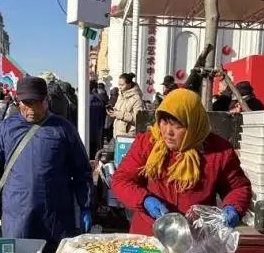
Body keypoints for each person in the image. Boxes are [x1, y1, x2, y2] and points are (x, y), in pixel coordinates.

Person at [112, 88, 252, 243]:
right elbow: (121, 180)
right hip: (149, 237)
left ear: (193, 124)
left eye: (177, 126)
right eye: (164, 122)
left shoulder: (219, 151)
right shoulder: (148, 143)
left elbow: (238, 188)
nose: (168, 132)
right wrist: (145, 199)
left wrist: (233, 208)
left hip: (197, 240)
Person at [0, 76, 92, 251]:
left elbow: (81, 171)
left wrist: (86, 206)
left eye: (36, 102)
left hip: (55, 213)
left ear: (46, 100)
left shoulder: (63, 129)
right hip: (17, 212)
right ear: (18, 102)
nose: (30, 109)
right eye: (25, 103)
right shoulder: (6, 129)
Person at [108, 73, 143, 137]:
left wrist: (121, 115)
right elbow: (117, 109)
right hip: (117, 134)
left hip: (128, 136)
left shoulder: (136, 98)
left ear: (129, 85)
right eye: (119, 85)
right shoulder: (121, 95)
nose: (120, 87)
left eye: (122, 85)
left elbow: (139, 119)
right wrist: (113, 112)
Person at [87, 79, 107, 158]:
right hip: (98, 130)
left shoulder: (86, 99)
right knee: (96, 151)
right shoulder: (100, 99)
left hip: (88, 130)